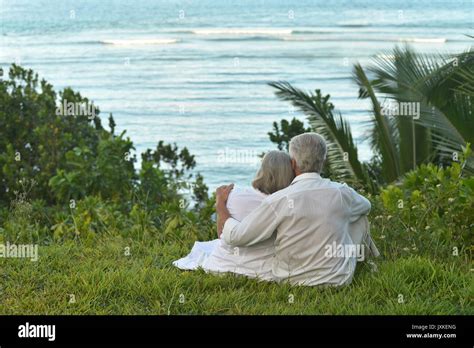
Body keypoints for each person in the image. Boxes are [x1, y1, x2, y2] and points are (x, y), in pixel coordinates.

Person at [216, 132, 373, 286]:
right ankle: (366, 262)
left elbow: (237, 237)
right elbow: (366, 206)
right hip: (338, 279)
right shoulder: (342, 193)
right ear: (323, 161)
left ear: (292, 163)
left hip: (290, 280)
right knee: (359, 217)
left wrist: (221, 206)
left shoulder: (279, 200)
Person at [173, 150, 294, 280]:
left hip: (222, 265)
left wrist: (220, 202)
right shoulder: (287, 204)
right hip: (261, 271)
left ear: (262, 170)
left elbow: (221, 235)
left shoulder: (235, 194)